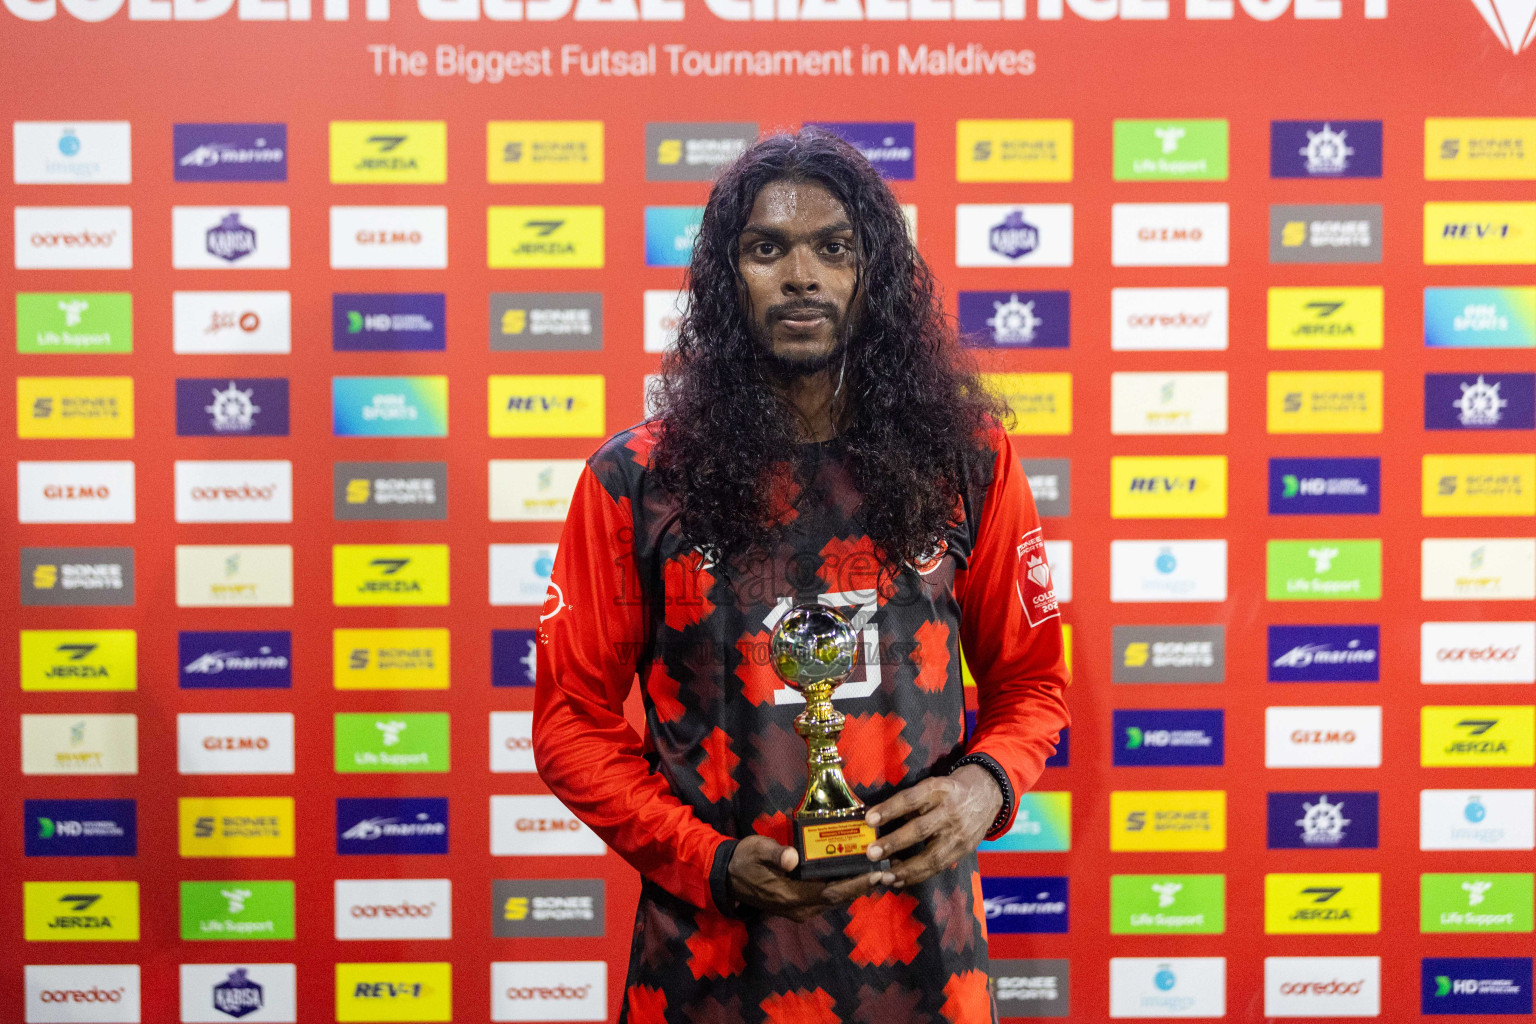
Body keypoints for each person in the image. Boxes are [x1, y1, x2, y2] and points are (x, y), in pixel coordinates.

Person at [533, 127, 1070, 1023]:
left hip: (926, 964)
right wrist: (703, 859)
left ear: (877, 275)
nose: (801, 275)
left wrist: (987, 787)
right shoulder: (636, 481)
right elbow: (570, 724)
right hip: (708, 965)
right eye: (766, 249)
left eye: (834, 247)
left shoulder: (968, 460)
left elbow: (1035, 683)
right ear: (723, 280)